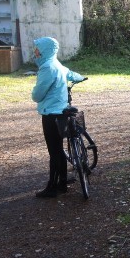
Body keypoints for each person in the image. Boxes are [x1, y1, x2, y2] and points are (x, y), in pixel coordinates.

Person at [32, 37, 85, 198]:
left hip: (50, 114)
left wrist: (33, 94)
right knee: (59, 150)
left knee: (54, 152)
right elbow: (71, 74)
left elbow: (38, 95)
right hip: (61, 113)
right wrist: (81, 77)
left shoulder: (47, 68)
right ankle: (62, 183)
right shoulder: (57, 65)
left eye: (37, 49)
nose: (35, 52)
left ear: (44, 50)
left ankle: (52, 187)